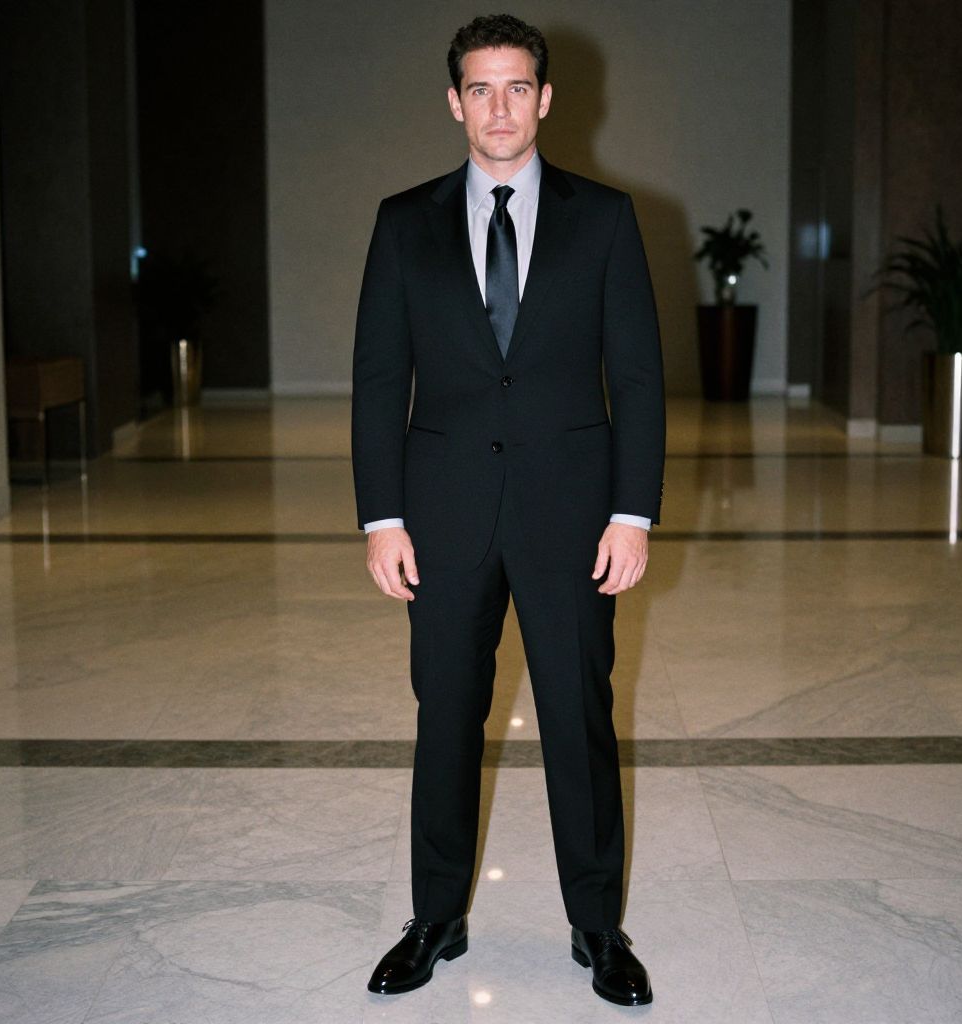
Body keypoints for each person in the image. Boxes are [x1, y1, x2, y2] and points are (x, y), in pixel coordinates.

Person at [351, 13, 665, 1007]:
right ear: (455, 102)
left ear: (546, 98)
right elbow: (377, 381)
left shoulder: (604, 218)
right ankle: (435, 918)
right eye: (480, 89)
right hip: (441, 516)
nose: (499, 107)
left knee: (579, 718)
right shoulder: (403, 221)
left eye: (517, 87)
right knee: (445, 716)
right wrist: (381, 519)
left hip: (572, 515)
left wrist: (632, 513)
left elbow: (638, 378)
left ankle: (597, 927)